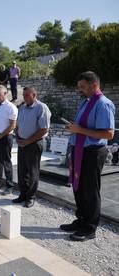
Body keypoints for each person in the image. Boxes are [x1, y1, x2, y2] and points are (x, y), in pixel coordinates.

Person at [60, 71, 115, 241]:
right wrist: (74, 128)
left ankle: (90, 228)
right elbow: (82, 127)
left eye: (83, 87)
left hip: (92, 152)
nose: (80, 90)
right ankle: (81, 220)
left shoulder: (103, 104)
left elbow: (109, 134)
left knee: (90, 190)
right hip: (79, 150)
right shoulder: (86, 102)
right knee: (79, 188)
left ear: (94, 85)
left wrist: (79, 130)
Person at [13, 87, 51, 208]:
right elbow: (18, 125)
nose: (24, 97)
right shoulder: (23, 108)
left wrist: (27, 141)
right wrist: (18, 137)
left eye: (27, 95)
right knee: (22, 170)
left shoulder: (41, 108)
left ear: (34, 95)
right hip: (22, 143)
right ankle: (23, 194)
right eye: (23, 95)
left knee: (32, 171)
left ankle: (31, 197)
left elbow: (44, 129)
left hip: (34, 144)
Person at [0, 85, 18, 195]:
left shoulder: (11, 107)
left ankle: (9, 185)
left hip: (5, 137)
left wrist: (0, 136)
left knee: (6, 161)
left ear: (5, 94)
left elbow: (12, 126)